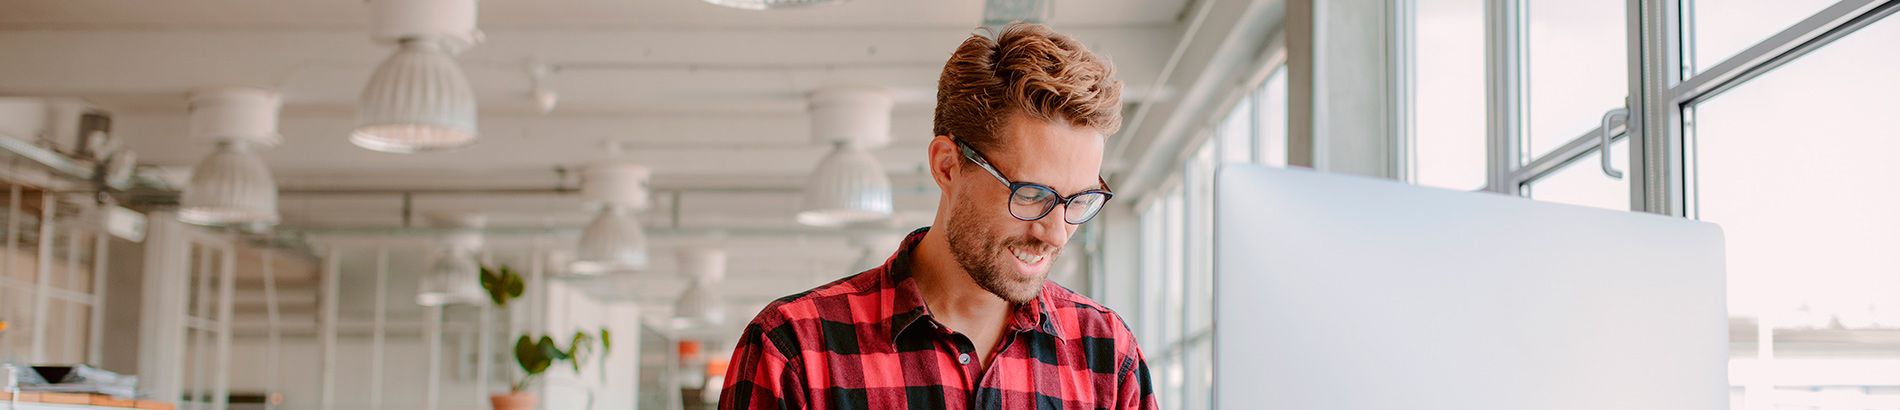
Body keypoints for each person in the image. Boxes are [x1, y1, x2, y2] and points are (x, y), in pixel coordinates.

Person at [719, 22, 1155, 409]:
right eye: (1031, 195)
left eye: (1078, 201)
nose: (1056, 233)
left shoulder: (1107, 355)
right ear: (948, 165)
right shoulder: (795, 352)